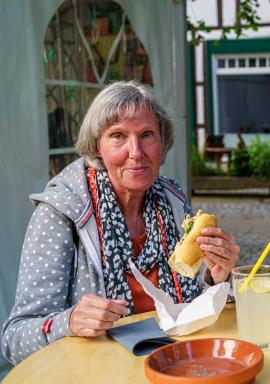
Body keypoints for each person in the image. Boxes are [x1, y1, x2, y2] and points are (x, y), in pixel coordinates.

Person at [2, 81, 240, 365]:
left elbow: (194, 312)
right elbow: (14, 340)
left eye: (147, 135)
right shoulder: (61, 213)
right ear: (96, 147)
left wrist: (219, 277)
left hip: (175, 366)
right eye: (118, 136)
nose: (136, 152)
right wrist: (69, 322)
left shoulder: (174, 203)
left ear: (162, 142)